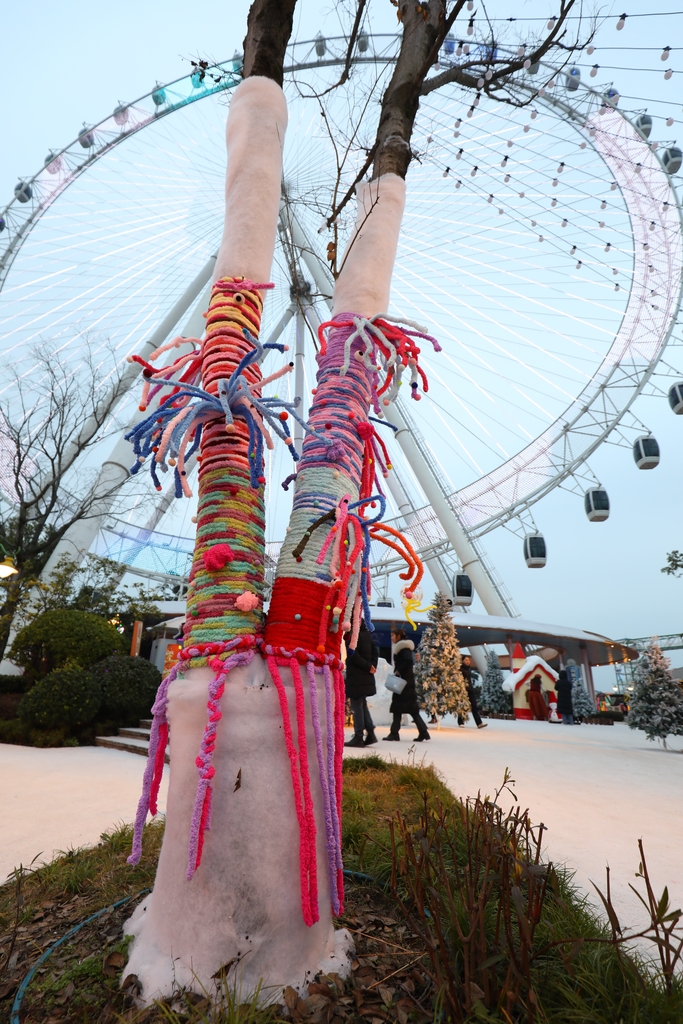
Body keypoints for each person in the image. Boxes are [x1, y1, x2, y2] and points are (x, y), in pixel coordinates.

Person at [383, 629, 430, 742]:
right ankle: (423, 732)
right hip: (406, 682)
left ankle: (394, 733)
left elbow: (408, 661)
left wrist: (399, 671)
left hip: (403, 683)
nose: (392, 638)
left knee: (398, 707)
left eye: (393, 635)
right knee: (409, 709)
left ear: (399, 636)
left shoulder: (403, 648)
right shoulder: (403, 647)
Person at [344, 620, 379, 748]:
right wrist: (372, 665)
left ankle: (359, 736)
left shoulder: (352, 634)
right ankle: (370, 732)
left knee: (357, 705)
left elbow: (353, 655)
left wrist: (367, 666)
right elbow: (375, 651)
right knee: (362, 703)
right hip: (366, 675)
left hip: (356, 676)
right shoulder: (366, 633)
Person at [457, 654, 487, 729]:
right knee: (463, 705)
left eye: (468, 660)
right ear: (462, 661)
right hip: (463, 689)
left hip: (470, 689)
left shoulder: (468, 669)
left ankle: (479, 723)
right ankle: (461, 721)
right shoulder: (460, 669)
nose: (467, 661)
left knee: (474, 706)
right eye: (466, 660)